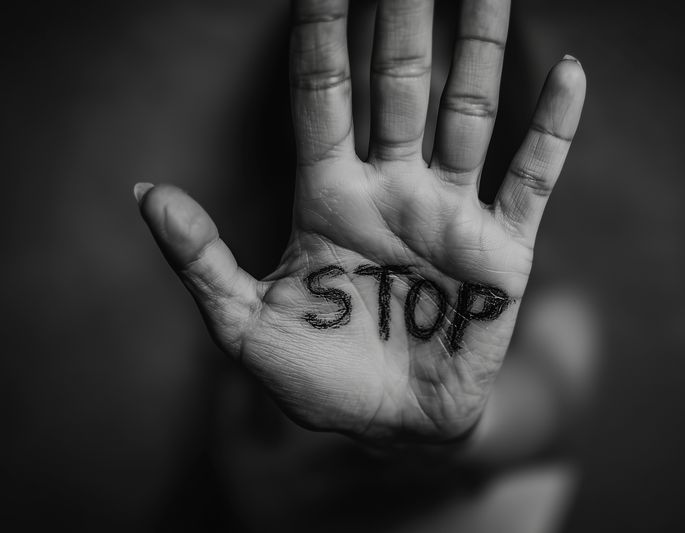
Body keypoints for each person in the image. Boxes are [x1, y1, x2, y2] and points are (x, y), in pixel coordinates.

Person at [136, 1, 593, 530]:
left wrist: (461, 423)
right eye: (359, 96)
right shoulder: (266, 307)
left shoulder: (553, 312)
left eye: (430, 103)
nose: (390, 130)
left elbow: (540, 402)